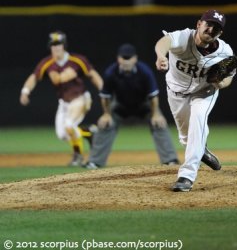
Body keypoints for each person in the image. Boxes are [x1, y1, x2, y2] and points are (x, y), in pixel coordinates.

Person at [155, 9, 237, 192]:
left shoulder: (225, 51)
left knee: (198, 121)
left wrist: (221, 83)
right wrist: (161, 56)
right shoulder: (183, 37)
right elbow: (164, 42)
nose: (211, 30)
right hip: (176, 92)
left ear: (220, 33)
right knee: (186, 137)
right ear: (199, 24)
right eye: (208, 25)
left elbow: (229, 76)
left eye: (216, 28)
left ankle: (186, 176)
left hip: (204, 92)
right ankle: (202, 151)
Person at [83, 43, 179, 169]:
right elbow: (105, 97)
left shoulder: (144, 71)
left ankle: (170, 160)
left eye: (129, 58)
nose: (126, 61)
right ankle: (95, 162)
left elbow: (153, 96)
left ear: (135, 58)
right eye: (124, 58)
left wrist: (155, 114)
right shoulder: (111, 72)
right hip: (120, 105)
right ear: (118, 59)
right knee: (106, 123)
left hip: (144, 104)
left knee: (159, 123)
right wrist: (106, 114)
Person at [19, 30, 103, 166]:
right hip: (64, 103)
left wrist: (103, 91)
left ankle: (78, 156)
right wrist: (25, 91)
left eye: (59, 44)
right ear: (50, 47)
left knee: (69, 125)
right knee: (62, 134)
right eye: (53, 44)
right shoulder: (47, 63)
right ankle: (89, 133)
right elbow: (34, 77)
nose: (56, 47)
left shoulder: (77, 60)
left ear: (64, 45)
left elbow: (93, 75)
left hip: (80, 99)